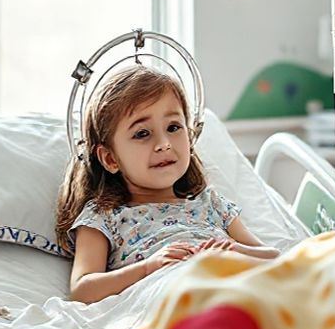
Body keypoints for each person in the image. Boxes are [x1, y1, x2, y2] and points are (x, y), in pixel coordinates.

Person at [55, 66, 279, 303]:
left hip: (236, 286)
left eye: (173, 128)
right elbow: (83, 289)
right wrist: (148, 267)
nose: (164, 144)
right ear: (110, 158)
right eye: (142, 133)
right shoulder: (104, 216)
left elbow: (273, 257)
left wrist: (234, 251)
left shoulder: (211, 204)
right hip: (172, 296)